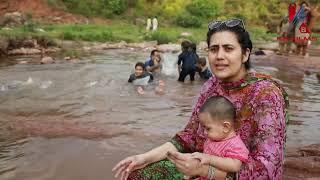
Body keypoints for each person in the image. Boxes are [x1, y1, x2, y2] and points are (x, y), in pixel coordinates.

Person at [113, 18, 289, 180]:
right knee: (138, 174)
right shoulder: (211, 85)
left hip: (236, 175)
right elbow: (190, 136)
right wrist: (144, 157)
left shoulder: (266, 94)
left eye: (228, 48)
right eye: (214, 49)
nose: (219, 56)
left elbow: (266, 169)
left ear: (245, 54)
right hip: (202, 163)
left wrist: (204, 171)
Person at [185, 96, 249, 180]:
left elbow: (235, 166)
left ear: (225, 127)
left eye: (208, 128)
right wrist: (194, 172)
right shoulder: (213, 139)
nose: (204, 132)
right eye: (203, 128)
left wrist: (209, 159)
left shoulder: (235, 145)